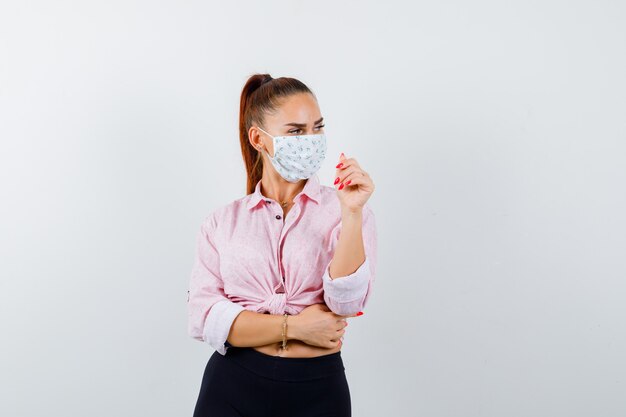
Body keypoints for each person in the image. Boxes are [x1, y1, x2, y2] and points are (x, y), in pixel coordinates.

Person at [187, 73, 378, 417]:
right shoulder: (221, 223)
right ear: (259, 139)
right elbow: (206, 319)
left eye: (317, 128)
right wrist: (296, 327)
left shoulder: (347, 211)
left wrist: (351, 214)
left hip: (317, 390)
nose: (311, 139)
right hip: (231, 386)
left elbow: (345, 302)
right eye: (295, 131)